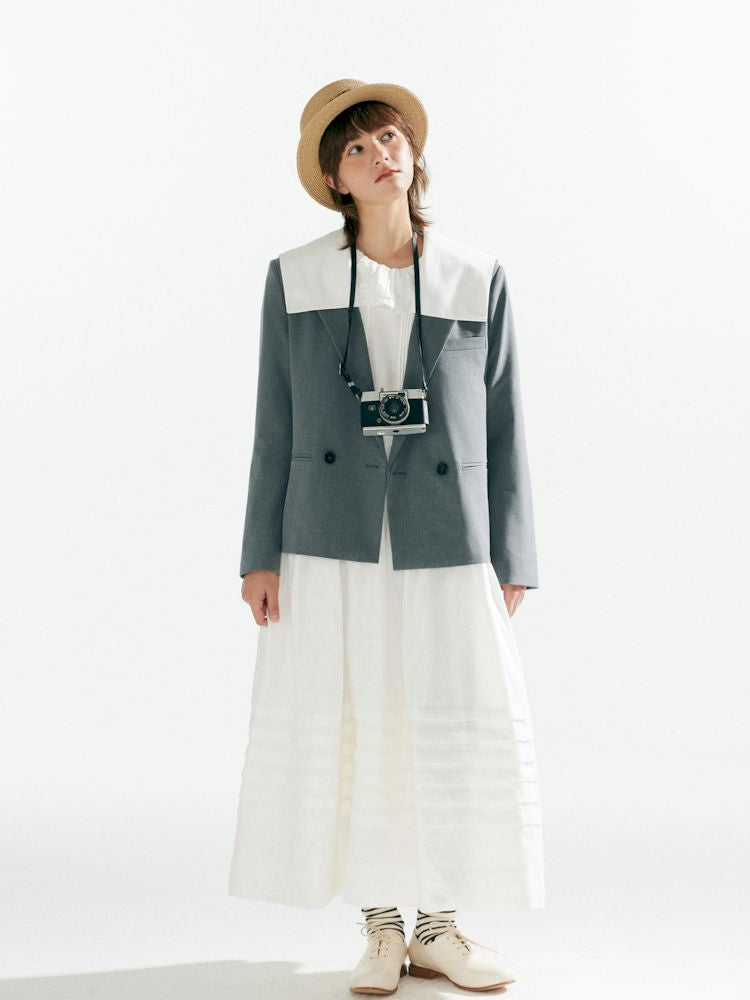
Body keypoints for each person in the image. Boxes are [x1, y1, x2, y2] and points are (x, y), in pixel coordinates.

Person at [227, 79, 544, 995]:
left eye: (392, 138)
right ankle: (380, 925)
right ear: (335, 177)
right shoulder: (296, 276)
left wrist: (515, 552)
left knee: (449, 714)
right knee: (356, 716)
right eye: (358, 148)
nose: (381, 155)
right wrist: (258, 553)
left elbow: (505, 422)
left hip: (448, 533)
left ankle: (439, 926)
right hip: (330, 534)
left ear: (414, 154)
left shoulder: (476, 275)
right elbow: (274, 424)